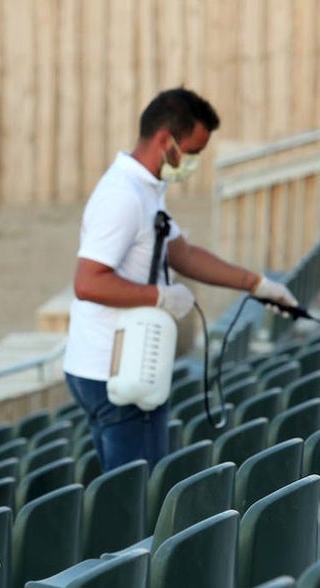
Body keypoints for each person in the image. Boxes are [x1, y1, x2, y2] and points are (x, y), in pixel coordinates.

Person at [63, 86, 298, 472]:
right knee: (136, 497)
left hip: (128, 361)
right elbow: (88, 282)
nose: (193, 163)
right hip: (113, 369)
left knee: (142, 485)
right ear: (164, 140)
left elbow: (181, 253)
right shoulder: (122, 197)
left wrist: (257, 284)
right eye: (192, 153)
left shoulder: (147, 189)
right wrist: (159, 296)